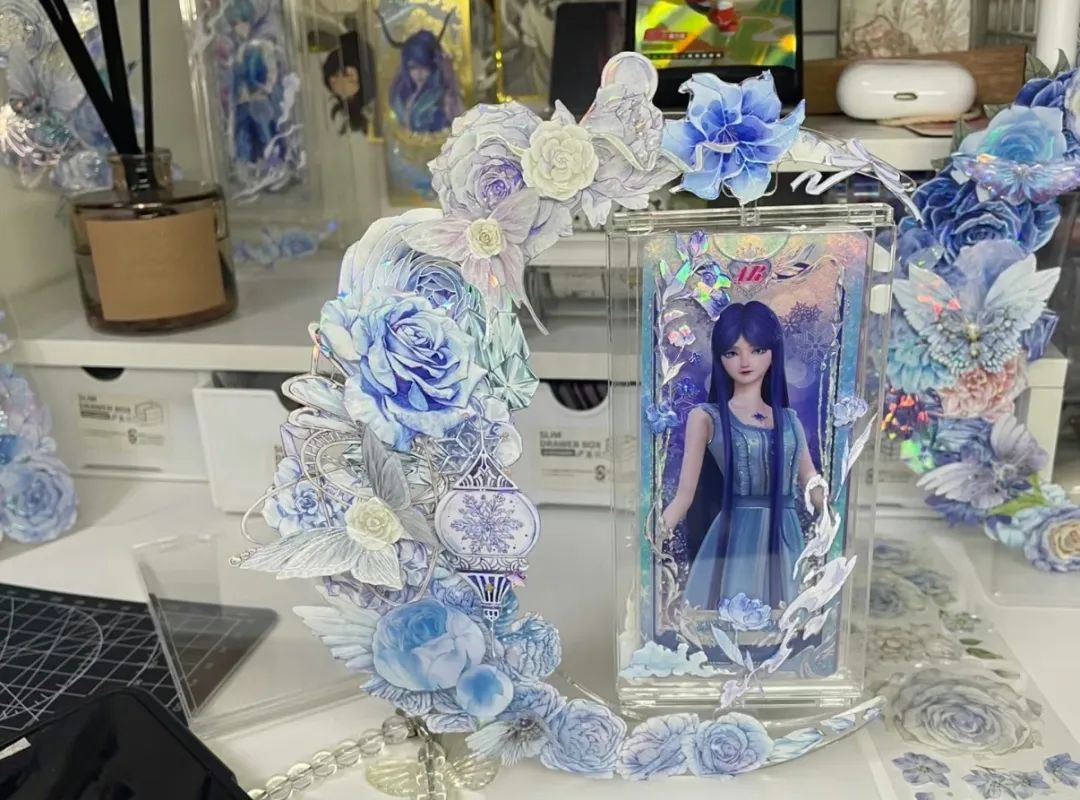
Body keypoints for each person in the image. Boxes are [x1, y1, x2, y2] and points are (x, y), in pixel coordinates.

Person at [660, 301, 821, 612]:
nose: (745, 361)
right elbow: (684, 496)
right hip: (735, 536)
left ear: (773, 352)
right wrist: (652, 539)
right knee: (733, 615)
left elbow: (810, 479)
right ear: (720, 357)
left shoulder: (789, 419)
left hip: (785, 534)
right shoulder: (706, 417)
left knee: (785, 620)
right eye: (732, 352)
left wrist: (831, 510)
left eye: (757, 350)